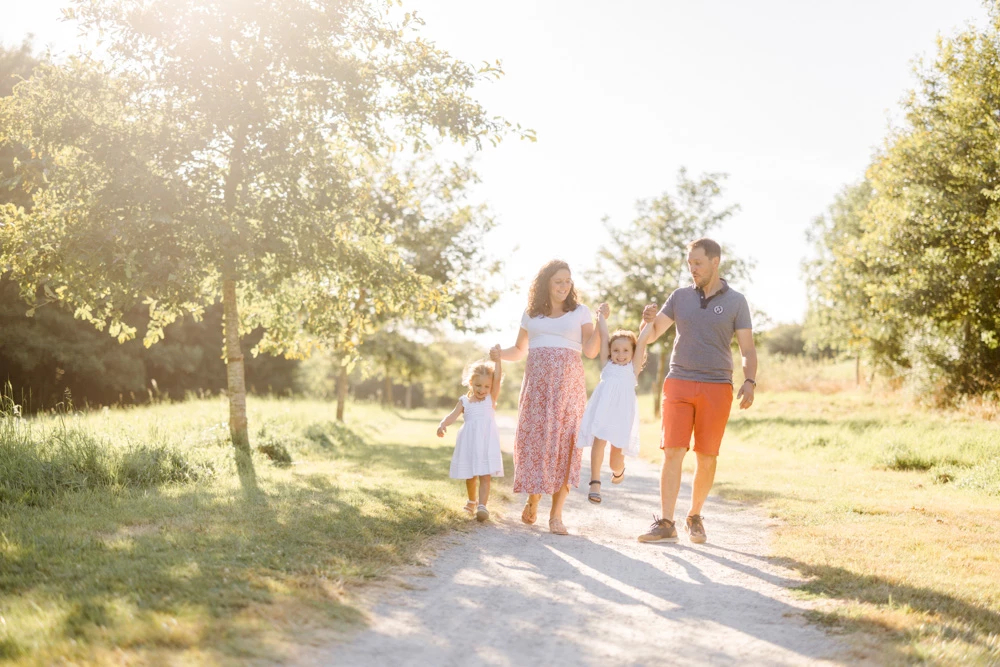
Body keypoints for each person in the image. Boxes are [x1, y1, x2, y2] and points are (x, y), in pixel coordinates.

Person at [635, 238, 757, 544]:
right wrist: (645, 321)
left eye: (698, 263)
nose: (692, 269)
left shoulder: (736, 301)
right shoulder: (679, 297)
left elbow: (747, 349)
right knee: (672, 450)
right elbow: (651, 336)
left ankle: (695, 516)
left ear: (715, 262)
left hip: (717, 386)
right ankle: (665, 522)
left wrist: (750, 379)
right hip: (678, 381)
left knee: (707, 456)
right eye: (689, 263)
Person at [493, 259, 601, 535]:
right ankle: (534, 498)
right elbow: (519, 350)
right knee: (537, 443)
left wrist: (601, 325)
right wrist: (498, 354)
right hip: (537, 389)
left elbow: (590, 351)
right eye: (558, 281)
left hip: (568, 389)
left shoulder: (580, 312)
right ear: (546, 284)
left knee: (567, 446)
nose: (564, 286)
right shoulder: (531, 314)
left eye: (568, 281)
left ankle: (556, 515)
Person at [576, 302, 646, 504]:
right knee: (599, 440)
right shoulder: (607, 364)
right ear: (610, 351)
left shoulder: (633, 369)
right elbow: (605, 336)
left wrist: (648, 323)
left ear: (632, 353)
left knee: (616, 458)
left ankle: (618, 471)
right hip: (603, 409)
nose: (621, 354)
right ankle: (595, 482)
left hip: (622, 413)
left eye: (625, 350)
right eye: (616, 350)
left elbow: (641, 342)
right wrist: (600, 316)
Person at [437, 357, 504, 522]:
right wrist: (443, 424)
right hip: (469, 442)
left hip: (486, 443)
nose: (482, 390)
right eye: (478, 385)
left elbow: (497, 378)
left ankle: (482, 506)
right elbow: (452, 415)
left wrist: (498, 361)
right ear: (470, 383)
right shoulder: (464, 401)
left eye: (487, 386)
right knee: (471, 475)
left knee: (485, 475)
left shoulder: (491, 399)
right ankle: (471, 501)